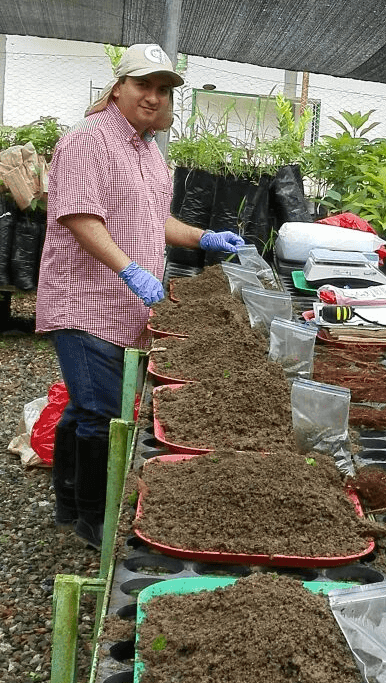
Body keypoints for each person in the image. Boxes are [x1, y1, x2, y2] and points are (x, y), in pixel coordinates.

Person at [36, 43, 245, 548]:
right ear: (118, 88)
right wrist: (130, 269)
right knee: (103, 412)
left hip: (123, 304)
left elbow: (155, 220)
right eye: (142, 85)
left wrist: (204, 238)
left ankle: (67, 501)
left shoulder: (147, 150)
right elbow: (80, 217)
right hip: (86, 302)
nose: (153, 97)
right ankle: (93, 519)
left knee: (83, 406)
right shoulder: (89, 141)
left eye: (163, 89)